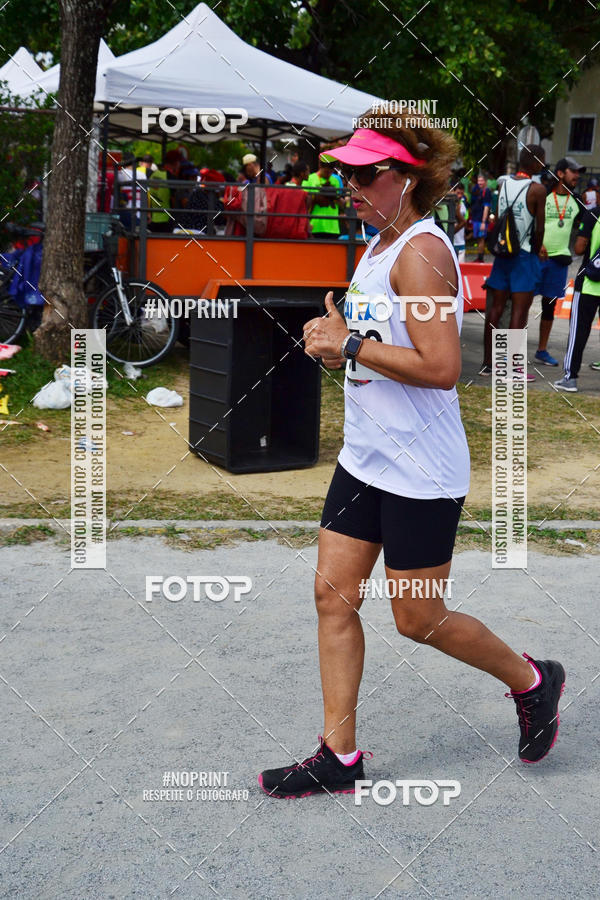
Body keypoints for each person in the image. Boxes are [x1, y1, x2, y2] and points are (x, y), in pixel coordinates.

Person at [258, 121, 565, 799]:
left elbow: (442, 366)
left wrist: (353, 348)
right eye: (347, 173)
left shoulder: (421, 253)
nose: (350, 185)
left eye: (365, 175)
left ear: (407, 178)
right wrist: (332, 336)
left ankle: (533, 680)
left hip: (420, 469)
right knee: (331, 596)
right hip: (365, 458)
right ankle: (339, 756)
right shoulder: (380, 242)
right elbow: (368, 337)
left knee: (417, 618)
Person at [479, 145, 546, 378]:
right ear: (536, 163)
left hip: (502, 252)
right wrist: (537, 252)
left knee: (495, 309)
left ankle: (488, 363)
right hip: (524, 254)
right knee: (519, 311)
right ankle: (512, 368)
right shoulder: (537, 190)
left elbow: (500, 217)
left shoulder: (503, 184)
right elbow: (539, 230)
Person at [534, 157, 586, 366]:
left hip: (559, 261)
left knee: (549, 306)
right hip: (537, 258)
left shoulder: (576, 200)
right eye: (573, 171)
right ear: (561, 173)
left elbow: (587, 226)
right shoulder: (543, 195)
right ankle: (512, 353)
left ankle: (542, 350)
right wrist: (538, 244)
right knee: (523, 302)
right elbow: (531, 223)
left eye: (578, 172)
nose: (577, 176)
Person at [554, 204, 600, 391]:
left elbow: (579, 248)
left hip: (589, 282)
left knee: (578, 332)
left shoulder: (594, 214)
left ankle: (570, 377)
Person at [302, 160, 343, 238]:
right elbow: (304, 202)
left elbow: (339, 201)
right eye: (326, 172)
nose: (328, 174)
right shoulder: (309, 179)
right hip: (314, 226)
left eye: (330, 172)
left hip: (333, 227)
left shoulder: (336, 180)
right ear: (320, 166)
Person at [470, 173, 492, 261]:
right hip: (476, 218)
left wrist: (483, 221)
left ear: (485, 181)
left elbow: (486, 207)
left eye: (482, 181)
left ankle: (480, 258)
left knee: (481, 239)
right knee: (478, 239)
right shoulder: (477, 190)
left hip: (481, 219)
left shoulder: (487, 191)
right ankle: (479, 257)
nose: (480, 182)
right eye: (479, 181)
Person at [452, 180, 468, 263]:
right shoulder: (449, 205)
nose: (460, 196)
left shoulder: (463, 205)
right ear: (453, 191)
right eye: (458, 193)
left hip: (461, 243)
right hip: (452, 243)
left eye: (461, 193)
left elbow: (464, 221)